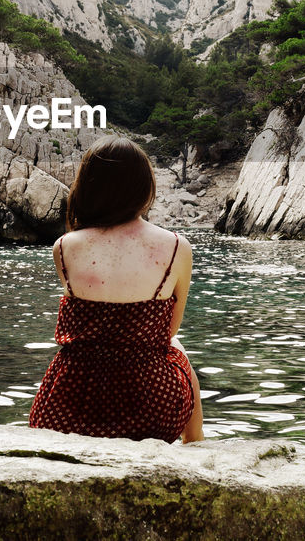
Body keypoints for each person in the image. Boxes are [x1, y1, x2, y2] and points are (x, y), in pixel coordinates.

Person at [29, 136, 204, 444]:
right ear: (144, 187)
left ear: (88, 187)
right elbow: (168, 330)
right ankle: (196, 442)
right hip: (151, 407)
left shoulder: (63, 248)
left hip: (68, 406)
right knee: (177, 346)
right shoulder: (177, 246)